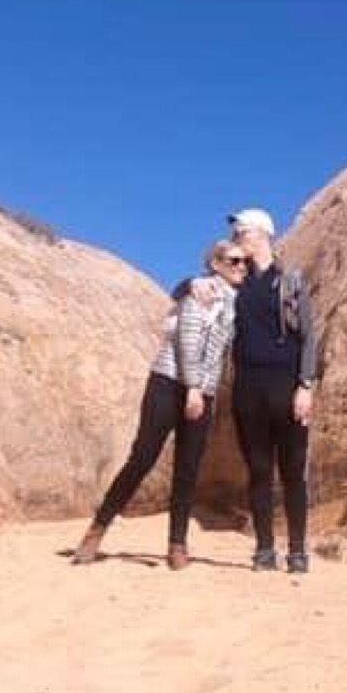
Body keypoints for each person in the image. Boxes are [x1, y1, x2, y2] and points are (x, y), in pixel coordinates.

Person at [71, 240, 246, 570]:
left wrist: (203, 389)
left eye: (244, 262)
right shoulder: (202, 292)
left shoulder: (235, 302)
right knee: (143, 457)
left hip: (203, 391)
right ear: (216, 264)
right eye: (234, 261)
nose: (241, 266)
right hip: (168, 383)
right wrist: (192, 386)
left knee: (188, 467)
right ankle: (98, 528)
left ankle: (177, 544)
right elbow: (187, 339)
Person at [224, 207, 320, 573]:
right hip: (247, 389)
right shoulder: (233, 284)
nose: (237, 240)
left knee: (293, 471)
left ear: (262, 234)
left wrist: (305, 386)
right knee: (259, 471)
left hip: (286, 386)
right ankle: (264, 549)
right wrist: (195, 284)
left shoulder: (291, 282)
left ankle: (297, 551)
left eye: (242, 233)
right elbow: (188, 289)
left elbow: (309, 338)